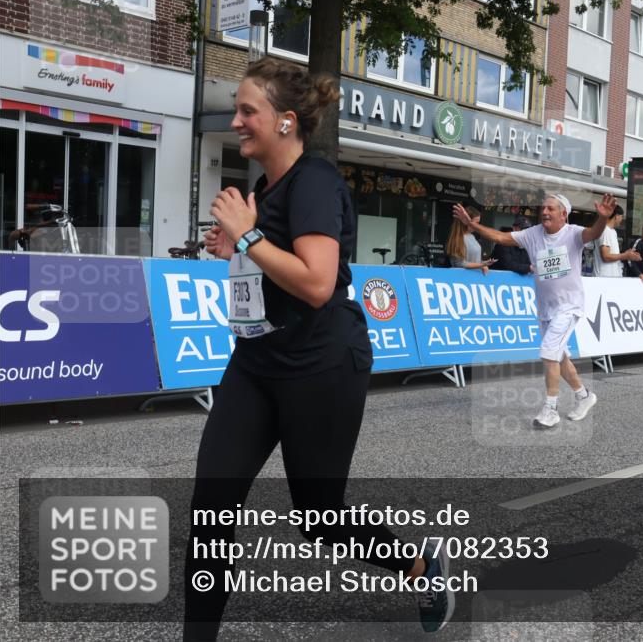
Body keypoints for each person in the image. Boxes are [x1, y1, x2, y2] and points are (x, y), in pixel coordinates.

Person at [187, 57, 453, 639]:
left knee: (319, 518)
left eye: (246, 110)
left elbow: (314, 283)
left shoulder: (315, 182)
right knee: (210, 510)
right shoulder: (267, 187)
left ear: (285, 121)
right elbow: (271, 271)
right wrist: (233, 248)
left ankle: (419, 567)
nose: (236, 121)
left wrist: (248, 236)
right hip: (258, 362)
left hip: (321, 365)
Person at [452, 193, 618, 429]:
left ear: (564, 214)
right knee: (558, 356)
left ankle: (551, 409)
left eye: (551, 209)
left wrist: (602, 219)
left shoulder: (573, 234)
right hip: (545, 309)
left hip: (568, 306)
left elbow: (593, 234)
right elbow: (500, 236)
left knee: (549, 352)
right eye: (543, 208)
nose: (545, 212)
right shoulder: (533, 234)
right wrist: (471, 225)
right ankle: (584, 396)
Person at [592, 205, 640, 277]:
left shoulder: (613, 231)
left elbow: (613, 254)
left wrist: (627, 254)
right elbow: (606, 257)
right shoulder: (605, 230)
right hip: (603, 278)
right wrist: (625, 255)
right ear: (616, 216)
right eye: (621, 216)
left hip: (612, 276)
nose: (621, 219)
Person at [446, 204, 494, 274]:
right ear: (465, 221)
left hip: (475, 277)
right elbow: (459, 264)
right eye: (476, 222)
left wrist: (484, 263)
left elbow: (474, 260)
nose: (477, 225)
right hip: (462, 278)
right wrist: (482, 265)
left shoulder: (472, 236)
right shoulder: (458, 238)